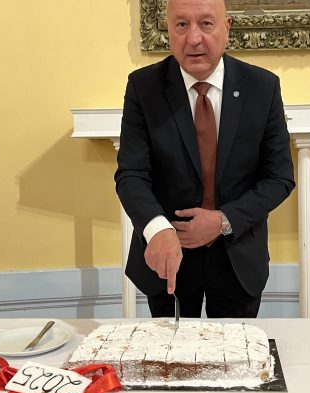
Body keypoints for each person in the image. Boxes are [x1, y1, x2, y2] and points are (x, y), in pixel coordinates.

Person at [115, 0, 295, 318]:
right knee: (171, 351)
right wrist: (157, 229)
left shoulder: (262, 87)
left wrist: (222, 221)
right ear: (168, 30)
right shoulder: (143, 88)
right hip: (169, 255)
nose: (194, 38)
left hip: (237, 257)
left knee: (235, 351)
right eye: (181, 25)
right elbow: (131, 174)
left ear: (226, 28)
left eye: (206, 24)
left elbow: (279, 177)